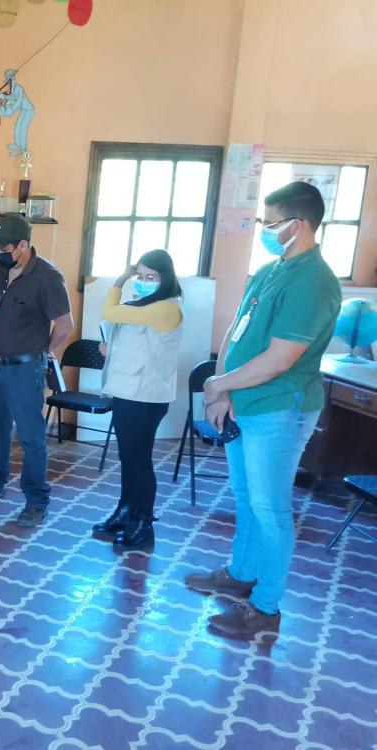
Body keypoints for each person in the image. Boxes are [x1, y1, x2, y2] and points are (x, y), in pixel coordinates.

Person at [186, 182, 341, 638]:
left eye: (271, 224)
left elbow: (280, 359)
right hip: (243, 402)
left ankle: (266, 607)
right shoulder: (273, 270)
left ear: (298, 225)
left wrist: (217, 384)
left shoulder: (314, 281)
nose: (265, 231)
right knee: (246, 498)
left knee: (271, 507)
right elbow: (237, 333)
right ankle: (241, 572)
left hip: (279, 409)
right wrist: (223, 390)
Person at [0, 213, 74, 527]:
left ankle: (36, 500)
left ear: (23, 245)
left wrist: (44, 352)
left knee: (30, 437)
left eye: (4, 247)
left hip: (25, 370)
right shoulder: (0, 270)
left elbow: (65, 325)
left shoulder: (48, 276)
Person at [93, 251, 183, 549]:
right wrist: (112, 349)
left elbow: (109, 311)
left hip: (145, 397)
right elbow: (137, 344)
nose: (144, 282)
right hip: (128, 393)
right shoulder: (145, 305)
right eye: (140, 276)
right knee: (129, 458)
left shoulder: (167, 308)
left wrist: (120, 278)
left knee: (139, 461)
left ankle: (143, 524)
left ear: (166, 279)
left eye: (151, 277)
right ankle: (125, 511)